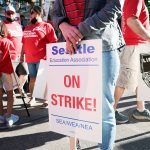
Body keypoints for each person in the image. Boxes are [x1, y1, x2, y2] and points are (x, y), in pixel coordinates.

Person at [53, 0, 125, 149]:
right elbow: (55, 13)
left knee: (103, 109)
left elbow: (115, 6)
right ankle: (75, 144)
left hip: (101, 45)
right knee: (71, 105)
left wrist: (79, 30)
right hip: (70, 48)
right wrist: (62, 25)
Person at [114, 0, 150, 124]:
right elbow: (131, 20)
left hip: (138, 44)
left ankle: (140, 109)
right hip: (134, 45)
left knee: (142, 79)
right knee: (123, 80)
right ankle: (110, 112)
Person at [20, 5, 57, 107]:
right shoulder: (27, 27)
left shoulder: (46, 26)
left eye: (32, 13)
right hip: (30, 59)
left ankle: (46, 99)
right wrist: (21, 56)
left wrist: (53, 58)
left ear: (39, 13)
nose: (30, 15)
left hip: (43, 59)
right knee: (32, 80)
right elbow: (24, 43)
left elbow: (54, 42)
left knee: (44, 80)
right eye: (30, 13)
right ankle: (32, 98)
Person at [3, 4, 28, 95]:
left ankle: (19, 88)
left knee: (25, 73)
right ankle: (11, 92)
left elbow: (22, 39)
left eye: (12, 13)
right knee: (9, 75)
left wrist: (24, 52)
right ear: (5, 13)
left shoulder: (18, 25)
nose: (10, 15)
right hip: (9, 54)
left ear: (14, 14)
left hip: (21, 54)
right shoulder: (2, 25)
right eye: (8, 13)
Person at [0, 22, 19, 127]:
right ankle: (8, 116)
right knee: (10, 94)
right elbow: (13, 56)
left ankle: (1, 115)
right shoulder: (7, 41)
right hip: (6, 70)